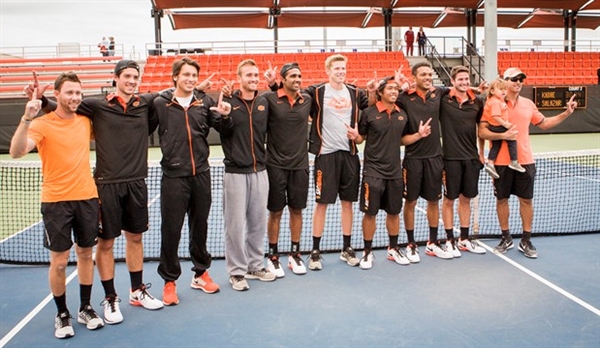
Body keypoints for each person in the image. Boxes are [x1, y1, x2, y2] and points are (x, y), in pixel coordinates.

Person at [32, 60, 164, 323]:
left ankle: (137, 291)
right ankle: (111, 297)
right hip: (106, 184)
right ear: (115, 78)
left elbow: (172, 95)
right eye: (126, 76)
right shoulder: (96, 105)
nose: (131, 80)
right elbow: (64, 105)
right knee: (106, 244)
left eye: (135, 76)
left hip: (137, 181)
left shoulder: (146, 103)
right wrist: (42, 100)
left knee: (135, 238)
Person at [10, 72, 104, 339]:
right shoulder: (41, 124)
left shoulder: (86, 122)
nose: (75, 98)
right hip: (56, 202)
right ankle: (62, 313)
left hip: (87, 198)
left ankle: (86, 307)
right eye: (69, 93)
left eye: (78, 93)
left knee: (86, 255)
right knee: (60, 263)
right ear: (57, 94)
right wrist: (27, 116)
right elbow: (17, 152)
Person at [154, 57, 232, 303]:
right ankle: (169, 281)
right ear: (175, 76)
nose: (190, 79)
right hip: (173, 177)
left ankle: (200, 273)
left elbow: (223, 129)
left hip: (201, 174)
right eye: (185, 74)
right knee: (171, 230)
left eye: (193, 75)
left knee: (200, 227)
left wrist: (226, 116)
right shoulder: (160, 103)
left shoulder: (204, 102)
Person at [478, 67, 578, 259]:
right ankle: (506, 237)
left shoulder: (528, 104)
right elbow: (482, 132)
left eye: (521, 79)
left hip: (525, 160)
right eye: (514, 79)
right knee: (501, 200)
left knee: (526, 200)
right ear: (505, 81)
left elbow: (545, 123)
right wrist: (502, 135)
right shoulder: (493, 102)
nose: (518, 82)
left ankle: (526, 239)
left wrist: (567, 112)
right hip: (499, 163)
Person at [350, 76, 431, 269]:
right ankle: (367, 252)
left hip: (395, 172)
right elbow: (361, 139)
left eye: (396, 89)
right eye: (390, 89)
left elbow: (402, 140)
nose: (394, 92)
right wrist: (356, 137)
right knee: (370, 214)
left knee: (394, 212)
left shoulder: (401, 114)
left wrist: (419, 135)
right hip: (373, 172)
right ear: (380, 92)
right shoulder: (368, 113)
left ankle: (393, 248)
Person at [219, 59, 275, 291]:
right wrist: (224, 116)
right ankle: (237, 271)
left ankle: (255, 265)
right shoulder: (229, 102)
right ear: (239, 78)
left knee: (258, 222)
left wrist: (273, 86)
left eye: (256, 75)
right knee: (234, 225)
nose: (253, 78)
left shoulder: (264, 102)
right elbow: (223, 130)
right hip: (235, 173)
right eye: (248, 75)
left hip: (260, 171)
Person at [395, 61, 453, 261]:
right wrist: (397, 84)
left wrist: (479, 89)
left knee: (433, 201)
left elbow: (460, 88)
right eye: (423, 75)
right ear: (414, 77)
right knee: (410, 202)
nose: (428, 77)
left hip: (435, 159)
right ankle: (411, 244)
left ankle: (432, 242)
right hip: (412, 160)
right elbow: (399, 138)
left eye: (430, 74)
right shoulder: (404, 98)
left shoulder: (439, 93)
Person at [262, 62, 312, 277]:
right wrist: (272, 85)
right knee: (275, 211)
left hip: (300, 166)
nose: (298, 79)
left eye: (300, 76)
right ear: (283, 79)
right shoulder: (269, 99)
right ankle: (273, 256)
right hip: (275, 166)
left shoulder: (307, 100)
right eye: (293, 76)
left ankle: (295, 253)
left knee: (297, 210)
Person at [439, 65, 486, 256]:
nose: (464, 82)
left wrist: (482, 153)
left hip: (471, 158)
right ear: (452, 81)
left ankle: (464, 239)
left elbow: (481, 130)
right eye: (460, 79)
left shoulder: (477, 102)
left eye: (467, 79)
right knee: (449, 200)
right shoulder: (443, 99)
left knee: (466, 199)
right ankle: (450, 239)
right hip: (449, 159)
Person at [483, 78, 526, 179]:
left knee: (496, 146)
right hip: (499, 126)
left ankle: (490, 163)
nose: (503, 91)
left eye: (505, 89)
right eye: (500, 89)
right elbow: (495, 116)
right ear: (493, 91)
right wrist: (505, 124)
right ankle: (514, 161)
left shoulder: (496, 100)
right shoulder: (495, 102)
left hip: (496, 127)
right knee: (512, 140)